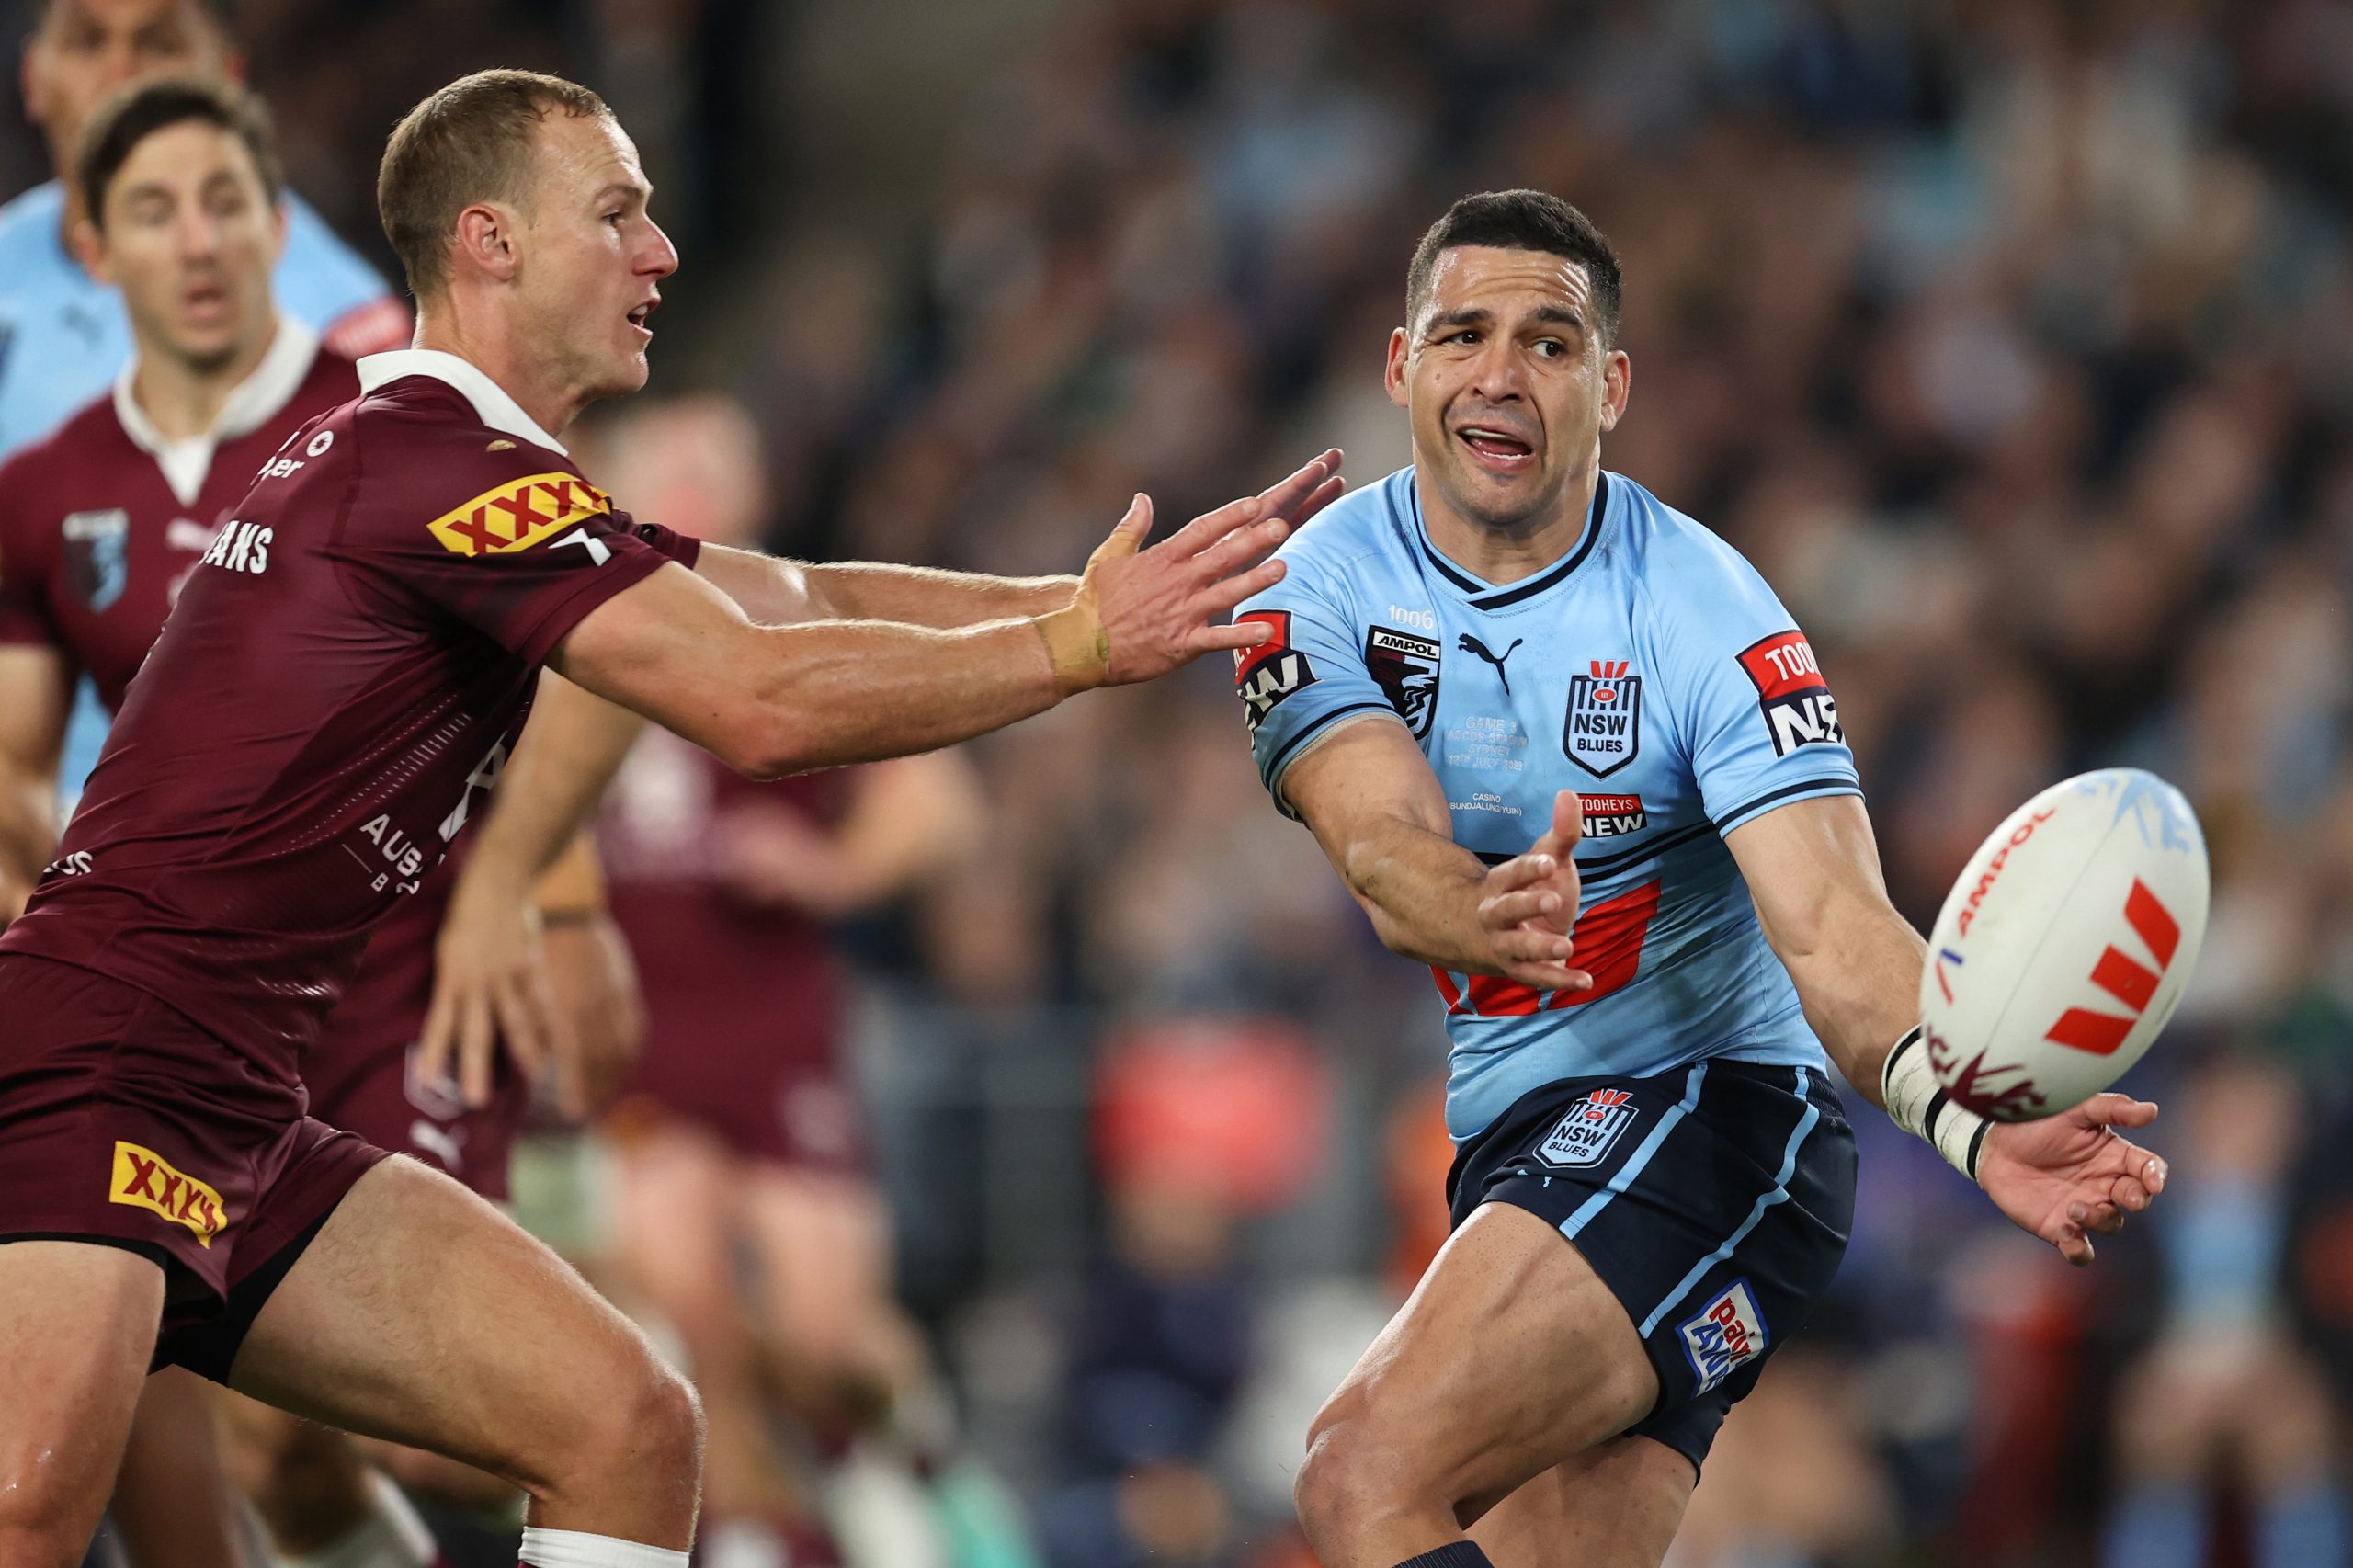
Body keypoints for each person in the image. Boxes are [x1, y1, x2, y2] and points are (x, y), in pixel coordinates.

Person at [0, 66, 1340, 1568]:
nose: (664, 254)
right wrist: (1080, 655)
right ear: (492, 242)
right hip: (112, 1056)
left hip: (244, 1095)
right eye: (619, 213)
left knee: (625, 1423)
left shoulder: (466, 474)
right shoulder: (438, 472)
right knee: (32, 1518)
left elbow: (800, 592)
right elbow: (760, 700)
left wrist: (1079, 601)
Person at [1230, 189, 2172, 1568]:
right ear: (1400, 367)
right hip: (1523, 1141)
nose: (1501, 373)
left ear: (1610, 387)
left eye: (1550, 343)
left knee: (1356, 1472)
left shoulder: (1709, 615)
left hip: (1717, 1119)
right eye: (1464, 335)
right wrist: (1476, 905)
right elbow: (1378, 848)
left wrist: (1975, 1112)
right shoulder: (1310, 583)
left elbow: (1837, 932)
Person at [0, 74, 643, 1568]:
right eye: (155, 213)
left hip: (392, 968)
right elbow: (13, 769)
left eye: (229, 203)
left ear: (283, 229)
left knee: (453, 1420)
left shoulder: (389, 416)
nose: (201, 242)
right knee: (234, 1464)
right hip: (162, 1007)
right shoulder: (44, 491)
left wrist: (540, 899)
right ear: (94, 252)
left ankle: (634, 1416)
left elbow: (619, 633)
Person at [592, 395, 986, 1567]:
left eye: (714, 470)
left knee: (824, 1338)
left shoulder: (796, 623)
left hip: (776, 1032)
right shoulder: (576, 630)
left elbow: (938, 804)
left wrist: (828, 867)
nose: (691, 492)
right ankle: (761, 1535)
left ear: (755, 498)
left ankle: (913, 1448)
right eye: (668, 469)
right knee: (688, 1320)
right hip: (642, 1038)